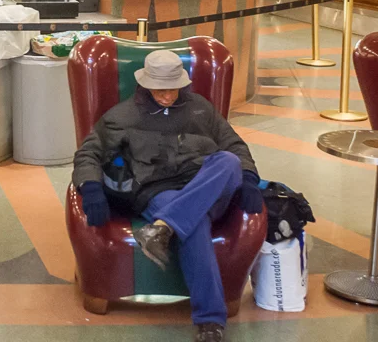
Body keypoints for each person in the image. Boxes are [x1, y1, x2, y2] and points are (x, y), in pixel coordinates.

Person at [72, 50, 263, 342]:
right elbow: (89, 153)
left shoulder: (201, 108)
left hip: (206, 184)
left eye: (172, 89)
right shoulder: (123, 116)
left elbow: (234, 145)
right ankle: (209, 321)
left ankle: (163, 228)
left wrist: (249, 178)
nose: (167, 96)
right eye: (160, 90)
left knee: (229, 161)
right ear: (146, 85)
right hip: (158, 191)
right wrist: (91, 187)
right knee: (194, 223)